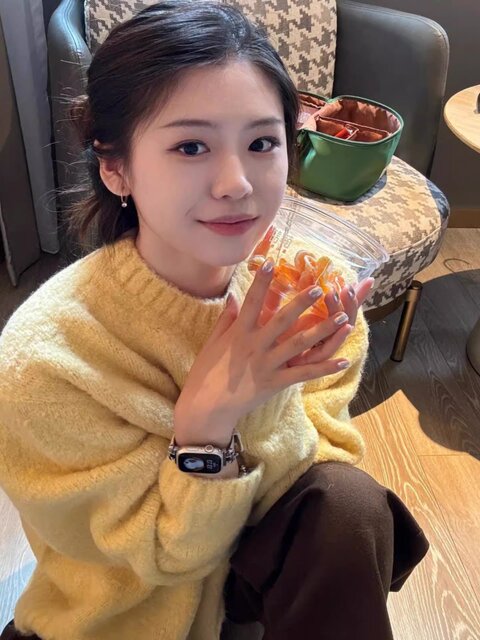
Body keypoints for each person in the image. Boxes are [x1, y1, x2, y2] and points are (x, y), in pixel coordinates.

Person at [0, 2, 429, 639]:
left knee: (349, 505)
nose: (236, 184)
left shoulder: (309, 295)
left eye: (261, 143)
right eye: (191, 146)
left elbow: (321, 471)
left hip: (249, 583)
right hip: (124, 615)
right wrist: (204, 428)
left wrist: (261, 394)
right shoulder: (47, 357)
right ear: (115, 167)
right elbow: (163, 558)